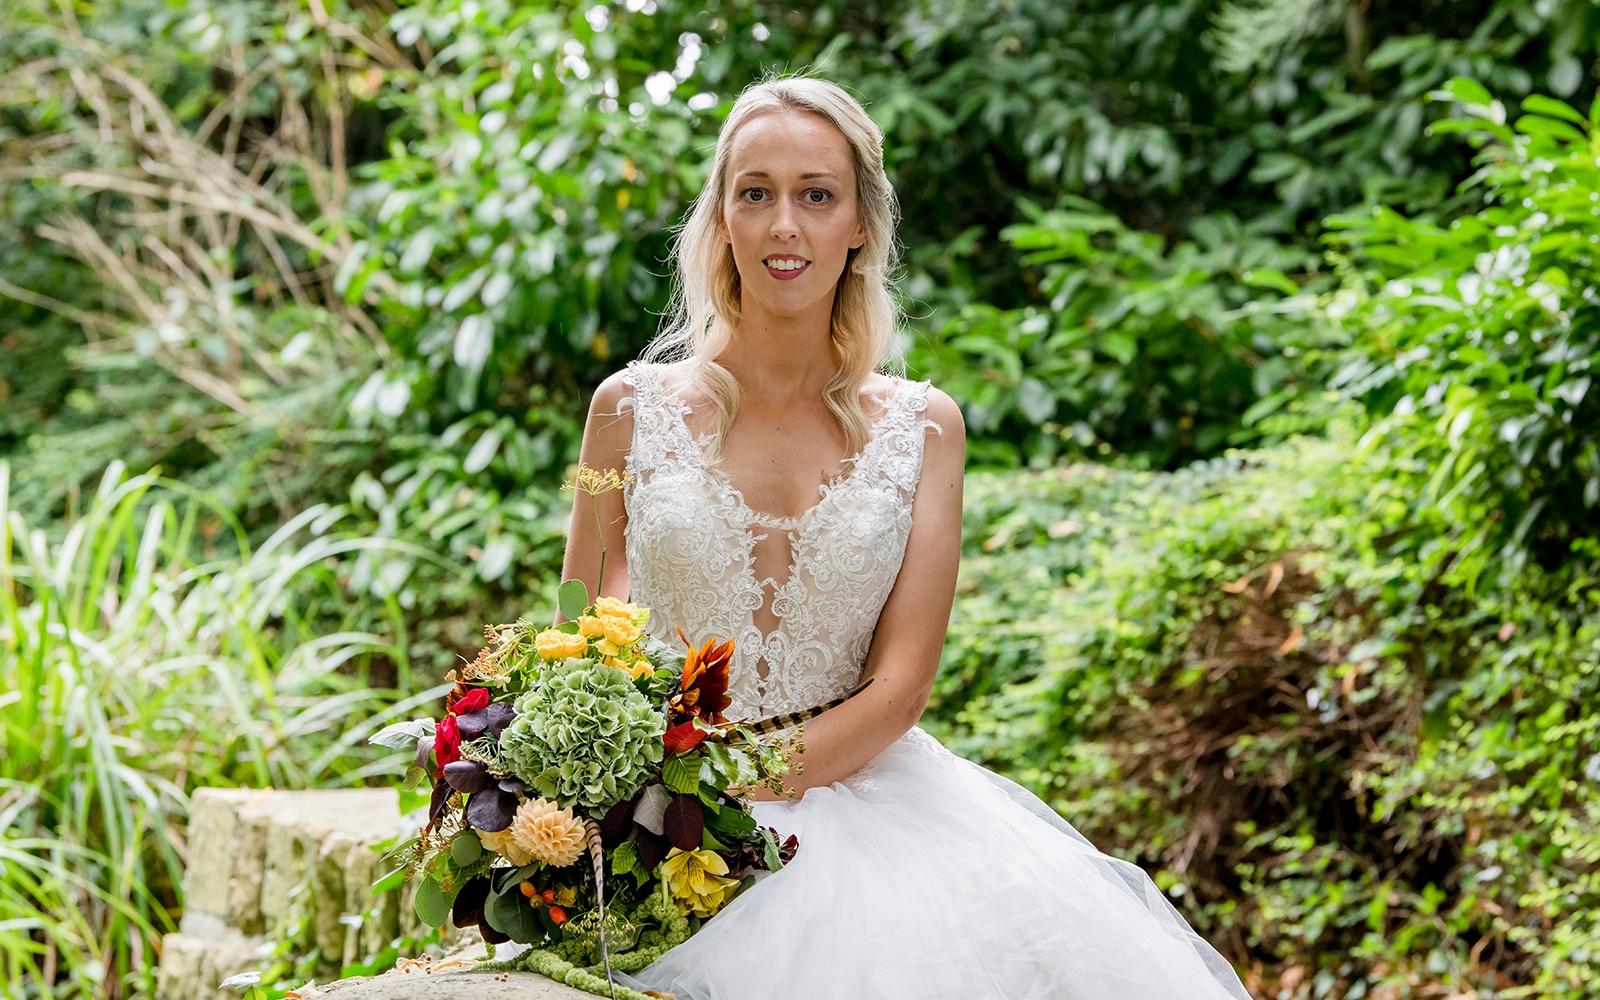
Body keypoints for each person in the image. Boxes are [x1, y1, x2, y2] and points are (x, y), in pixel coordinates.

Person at [557, 73, 1255, 1000]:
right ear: (720, 217)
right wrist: (604, 774)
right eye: (754, 193)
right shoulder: (618, 414)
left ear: (859, 225)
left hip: (867, 821)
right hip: (650, 819)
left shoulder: (926, 430)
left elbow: (903, 683)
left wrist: (728, 788)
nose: (784, 227)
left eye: (817, 195)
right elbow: (576, 616)